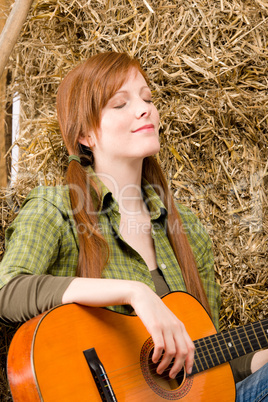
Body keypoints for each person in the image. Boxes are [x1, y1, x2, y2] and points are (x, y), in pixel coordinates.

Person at [0, 52, 267, 400]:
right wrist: (134, 293)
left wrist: (258, 359)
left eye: (147, 98)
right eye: (120, 104)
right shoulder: (55, 208)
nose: (145, 110)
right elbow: (8, 291)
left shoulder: (186, 228)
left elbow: (202, 361)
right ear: (85, 135)